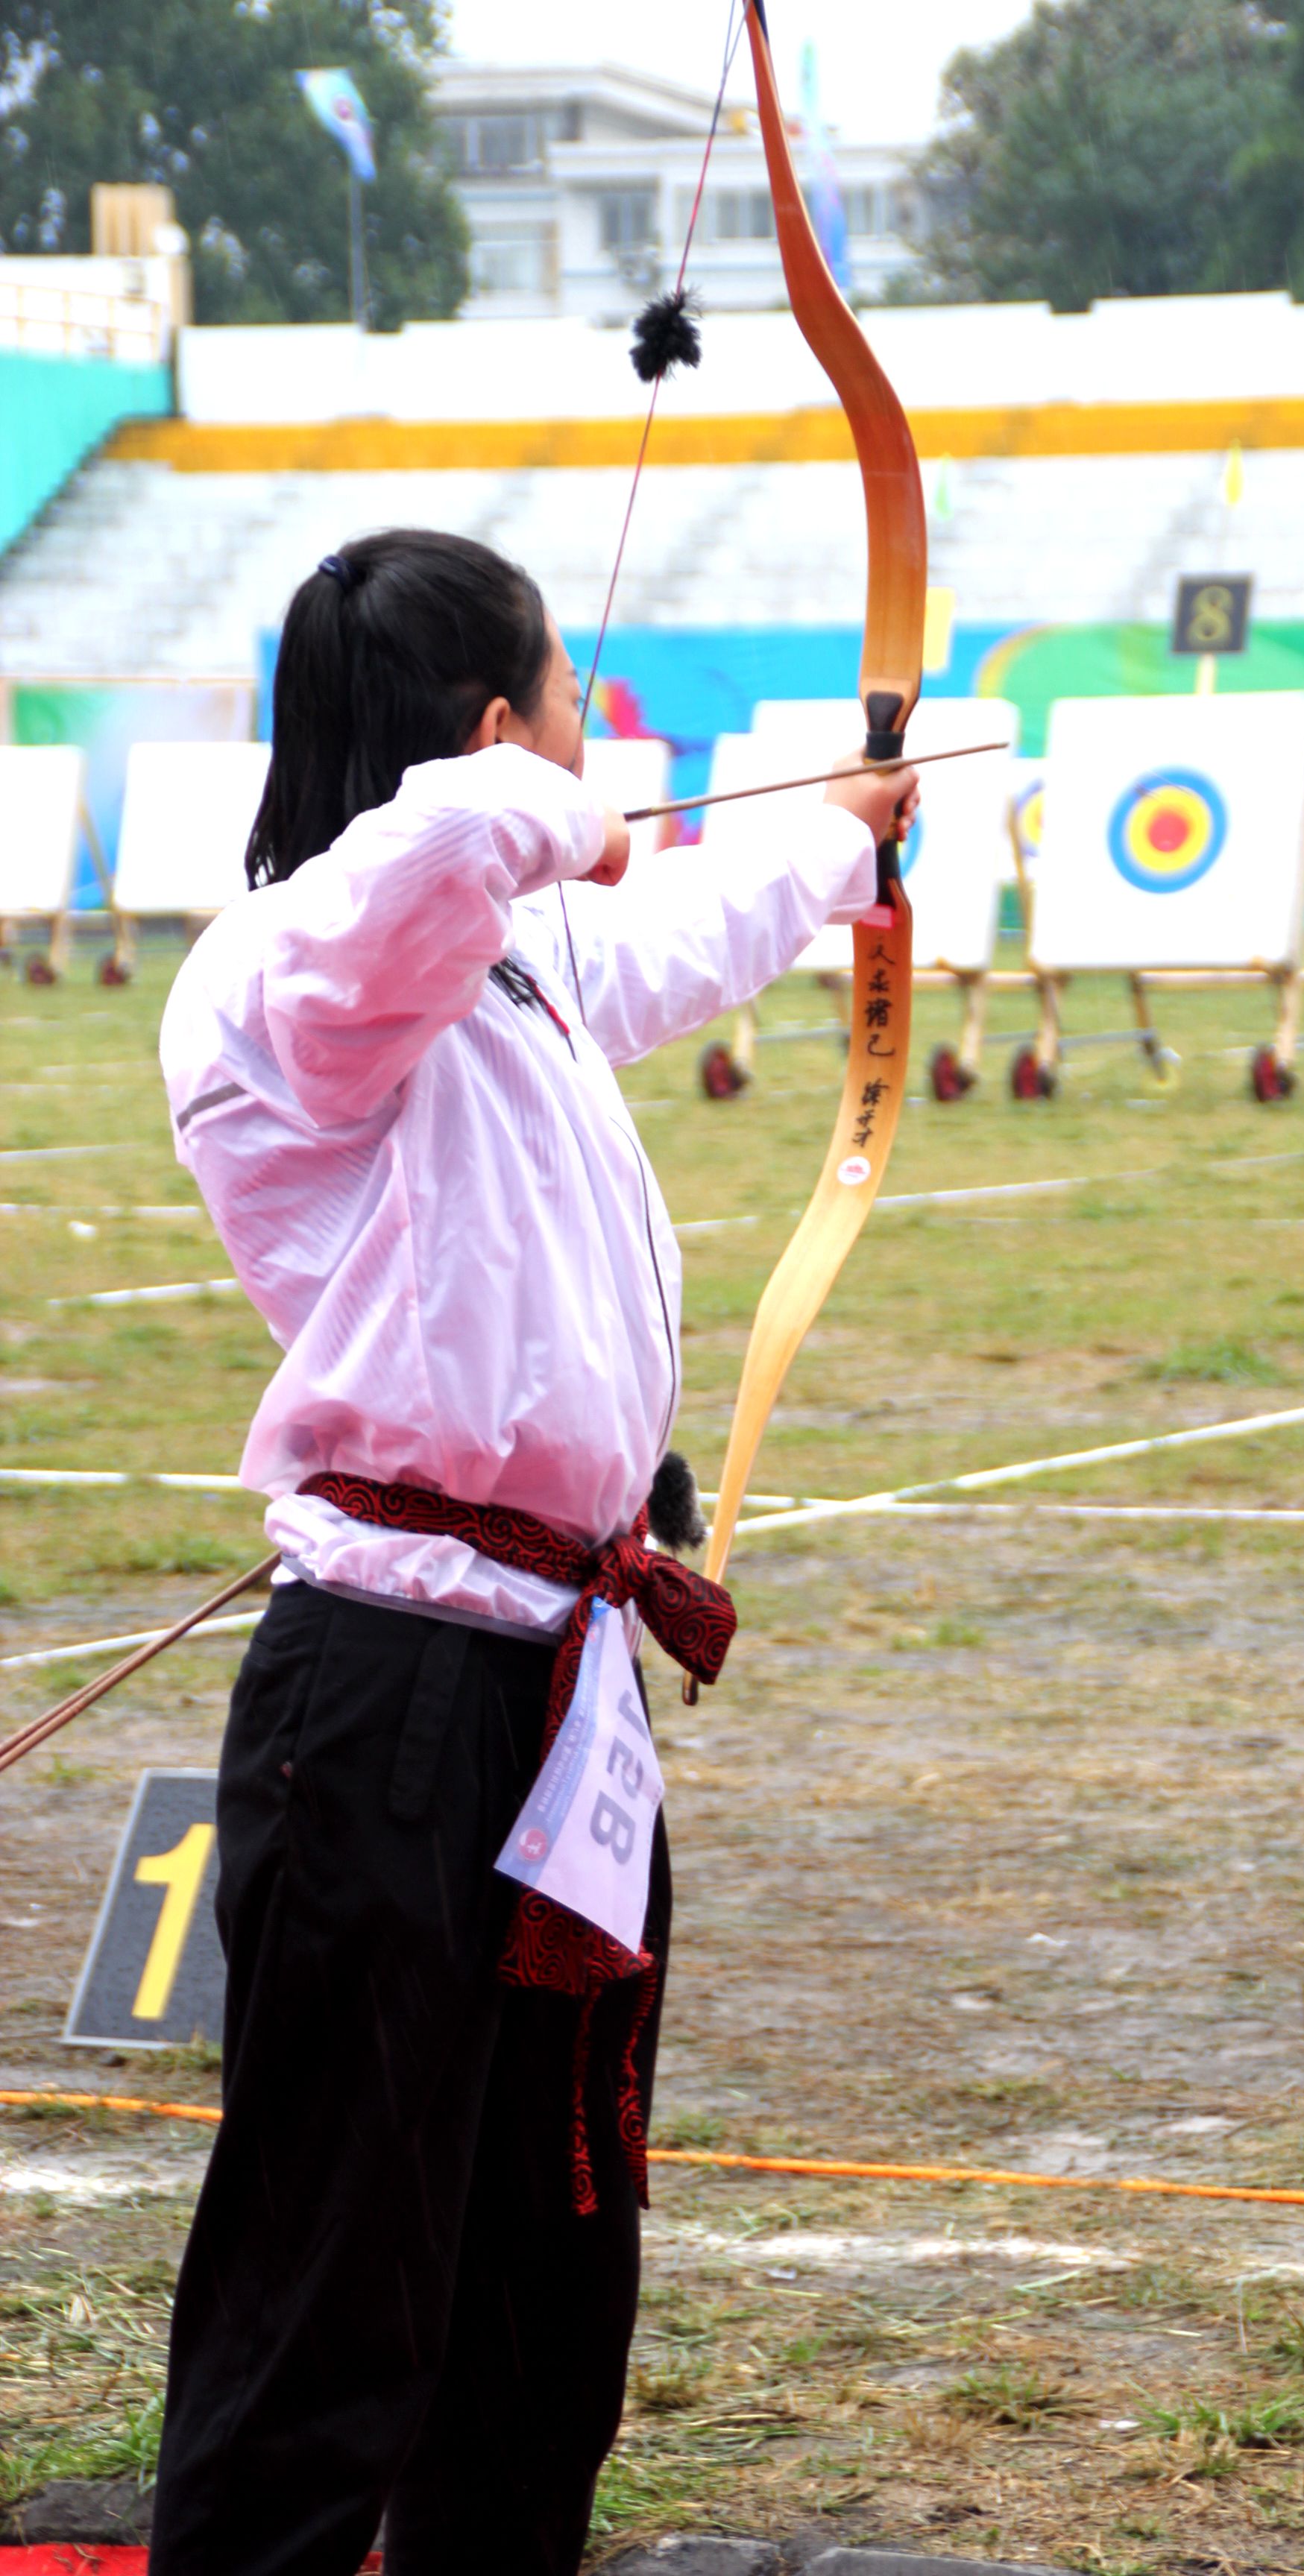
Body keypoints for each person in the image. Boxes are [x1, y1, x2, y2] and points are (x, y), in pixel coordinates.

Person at [148, 527, 917, 2576]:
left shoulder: (503, 968)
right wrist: (558, 802)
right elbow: (442, 858)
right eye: (570, 694)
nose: (597, 735)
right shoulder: (299, 971)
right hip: (389, 1696)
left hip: (554, 1694)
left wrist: (846, 838)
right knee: (335, 2276)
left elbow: (671, 935)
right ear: (497, 732)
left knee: (541, 2270)